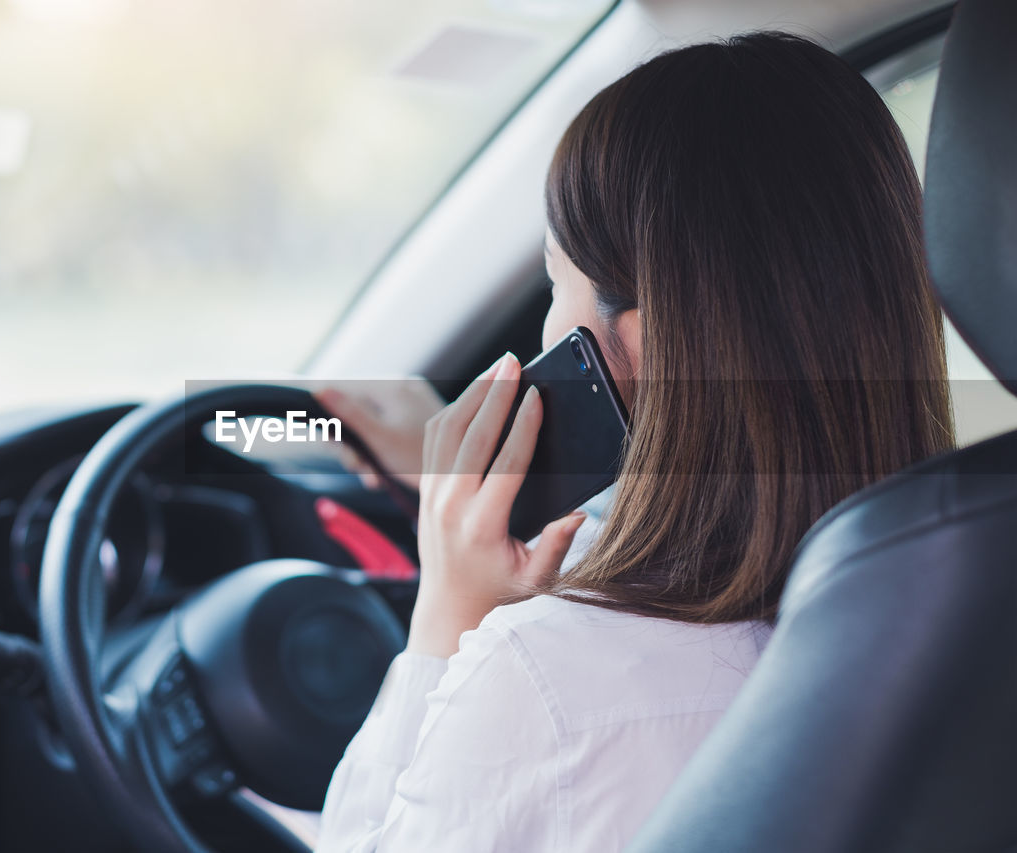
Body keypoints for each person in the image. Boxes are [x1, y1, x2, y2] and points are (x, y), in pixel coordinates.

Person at [313, 32, 954, 852]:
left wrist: (448, 616)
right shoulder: (969, 598)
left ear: (653, 346)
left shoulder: (542, 676)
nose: (545, 324)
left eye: (556, 282)